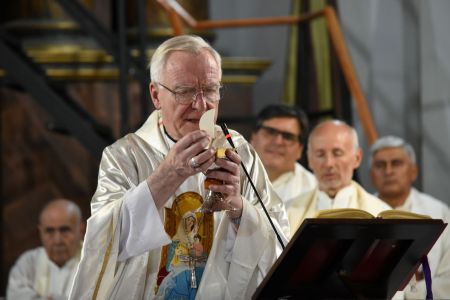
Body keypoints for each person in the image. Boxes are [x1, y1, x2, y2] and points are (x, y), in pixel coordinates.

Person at [69, 35, 288, 300]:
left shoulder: (239, 151)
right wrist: (168, 175)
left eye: (210, 89)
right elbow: (104, 243)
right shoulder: (125, 156)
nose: (201, 104)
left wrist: (238, 208)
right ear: (155, 95)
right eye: (184, 91)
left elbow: (278, 240)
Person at [369, 135, 450, 299]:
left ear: (413, 171)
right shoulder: (361, 211)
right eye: (380, 165)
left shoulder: (438, 212)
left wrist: (407, 296)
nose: (388, 171)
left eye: (396, 163)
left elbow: (448, 278)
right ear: (371, 175)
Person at [287, 120, 391, 235]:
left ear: (357, 158)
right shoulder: (288, 214)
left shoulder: (382, 214)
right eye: (320, 154)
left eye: (337, 153)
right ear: (310, 160)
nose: (328, 164)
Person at [7, 199, 84, 300]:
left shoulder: (96, 262)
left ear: (81, 230)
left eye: (65, 230)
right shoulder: (28, 262)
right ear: (40, 232)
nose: (57, 240)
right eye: (49, 231)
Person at [250, 104, 317, 209]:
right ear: (253, 138)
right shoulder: (229, 177)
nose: (278, 141)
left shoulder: (314, 190)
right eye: (270, 132)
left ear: (300, 149)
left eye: (288, 137)